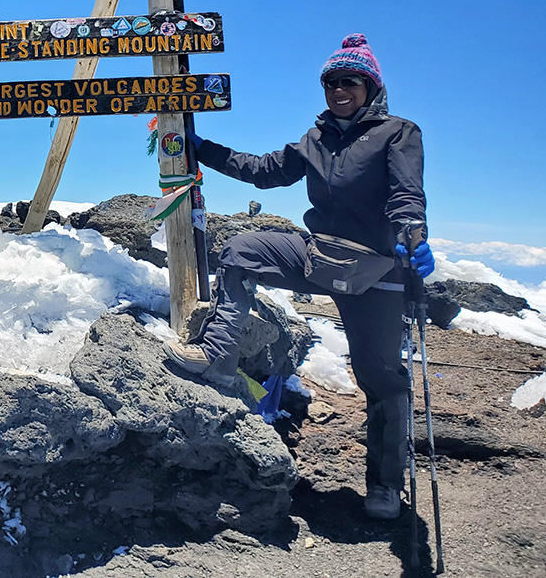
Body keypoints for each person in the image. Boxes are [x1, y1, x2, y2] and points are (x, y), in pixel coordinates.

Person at [164, 33, 436, 521]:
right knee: (244, 249)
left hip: (375, 267)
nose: (338, 89)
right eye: (331, 81)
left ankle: (385, 486)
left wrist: (412, 233)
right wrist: (201, 149)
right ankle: (217, 356)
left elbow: (405, 193)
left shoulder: (399, 132)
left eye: (350, 81)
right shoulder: (316, 139)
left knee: (381, 378)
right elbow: (265, 171)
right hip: (318, 255)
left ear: (370, 87)